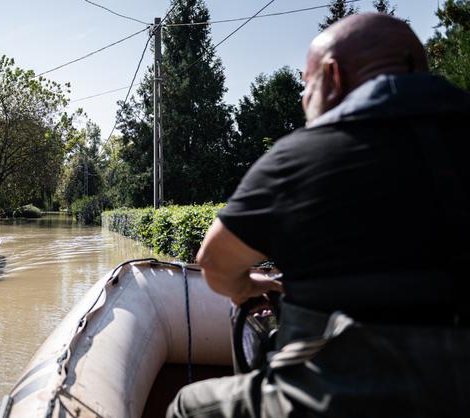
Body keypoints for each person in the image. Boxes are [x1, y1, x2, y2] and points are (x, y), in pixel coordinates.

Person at [168, 13, 470, 418]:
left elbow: (215, 263)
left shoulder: (299, 157)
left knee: (189, 405)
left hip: (339, 399)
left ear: (334, 75)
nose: (302, 98)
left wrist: (244, 287)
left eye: (307, 83)